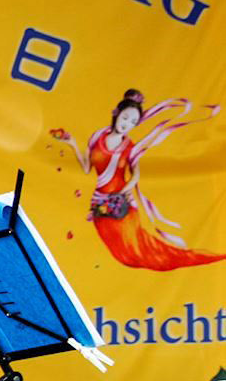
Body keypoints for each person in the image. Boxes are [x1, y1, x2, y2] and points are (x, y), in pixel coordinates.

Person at [51, 88, 223, 271]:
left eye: (133, 122)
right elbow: (87, 168)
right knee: (122, 255)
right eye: (125, 118)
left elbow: (136, 176)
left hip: (121, 205)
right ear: (116, 113)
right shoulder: (97, 137)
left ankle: (193, 258)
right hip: (99, 204)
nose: (127, 124)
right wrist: (72, 144)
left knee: (137, 251)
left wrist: (120, 194)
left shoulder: (129, 147)